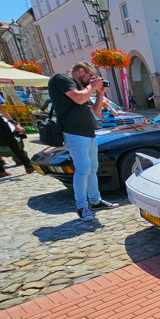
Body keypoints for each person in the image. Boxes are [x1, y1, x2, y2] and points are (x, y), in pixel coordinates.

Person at [48, 62, 119, 221]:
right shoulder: (62, 79)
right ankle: (82, 206)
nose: (91, 80)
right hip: (74, 133)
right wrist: (92, 87)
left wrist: (100, 93)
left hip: (89, 133)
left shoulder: (82, 88)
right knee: (83, 169)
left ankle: (95, 200)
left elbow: (97, 113)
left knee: (93, 168)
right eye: (90, 76)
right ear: (81, 71)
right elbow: (79, 99)